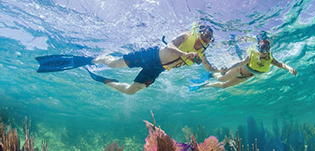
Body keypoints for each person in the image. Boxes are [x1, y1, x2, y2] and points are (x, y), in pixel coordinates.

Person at [35, 25, 225, 95]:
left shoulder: (202, 56)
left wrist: (220, 71)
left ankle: (106, 81)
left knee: (131, 92)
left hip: (156, 70)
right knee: (113, 64)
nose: (205, 38)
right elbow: (169, 46)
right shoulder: (186, 36)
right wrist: (184, 55)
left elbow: (210, 68)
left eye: (209, 38)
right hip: (150, 55)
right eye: (205, 34)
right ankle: (91, 59)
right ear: (199, 32)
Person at [195, 31, 297, 89]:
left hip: (244, 77)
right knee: (220, 79)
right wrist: (227, 69)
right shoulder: (252, 55)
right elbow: (241, 62)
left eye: (267, 47)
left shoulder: (270, 59)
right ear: (258, 47)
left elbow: (281, 64)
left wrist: (289, 68)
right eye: (263, 47)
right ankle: (212, 74)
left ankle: (205, 86)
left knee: (224, 86)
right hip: (238, 71)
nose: (265, 50)